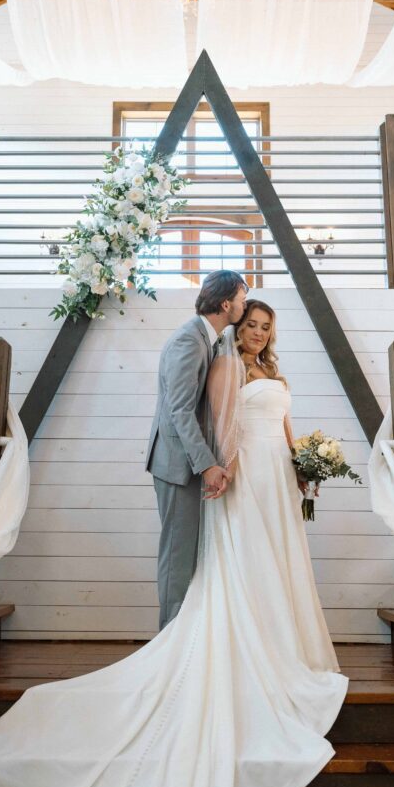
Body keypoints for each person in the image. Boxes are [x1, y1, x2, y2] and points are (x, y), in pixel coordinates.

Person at [0, 295, 348, 787]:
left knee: (282, 567)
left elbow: (283, 425)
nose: (256, 333)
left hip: (281, 479)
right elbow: (219, 419)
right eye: (250, 323)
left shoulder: (276, 374)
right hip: (244, 475)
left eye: (264, 328)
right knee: (242, 569)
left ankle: (287, 647)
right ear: (237, 321)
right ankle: (249, 645)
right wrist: (222, 470)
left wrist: (306, 463)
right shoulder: (224, 361)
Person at [145, 269, 248, 629]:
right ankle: (167, 645)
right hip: (176, 464)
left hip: (188, 462)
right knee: (178, 556)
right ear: (225, 303)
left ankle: (182, 639)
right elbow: (179, 410)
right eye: (241, 299)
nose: (244, 306)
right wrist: (207, 465)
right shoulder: (189, 340)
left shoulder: (211, 340)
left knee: (189, 555)